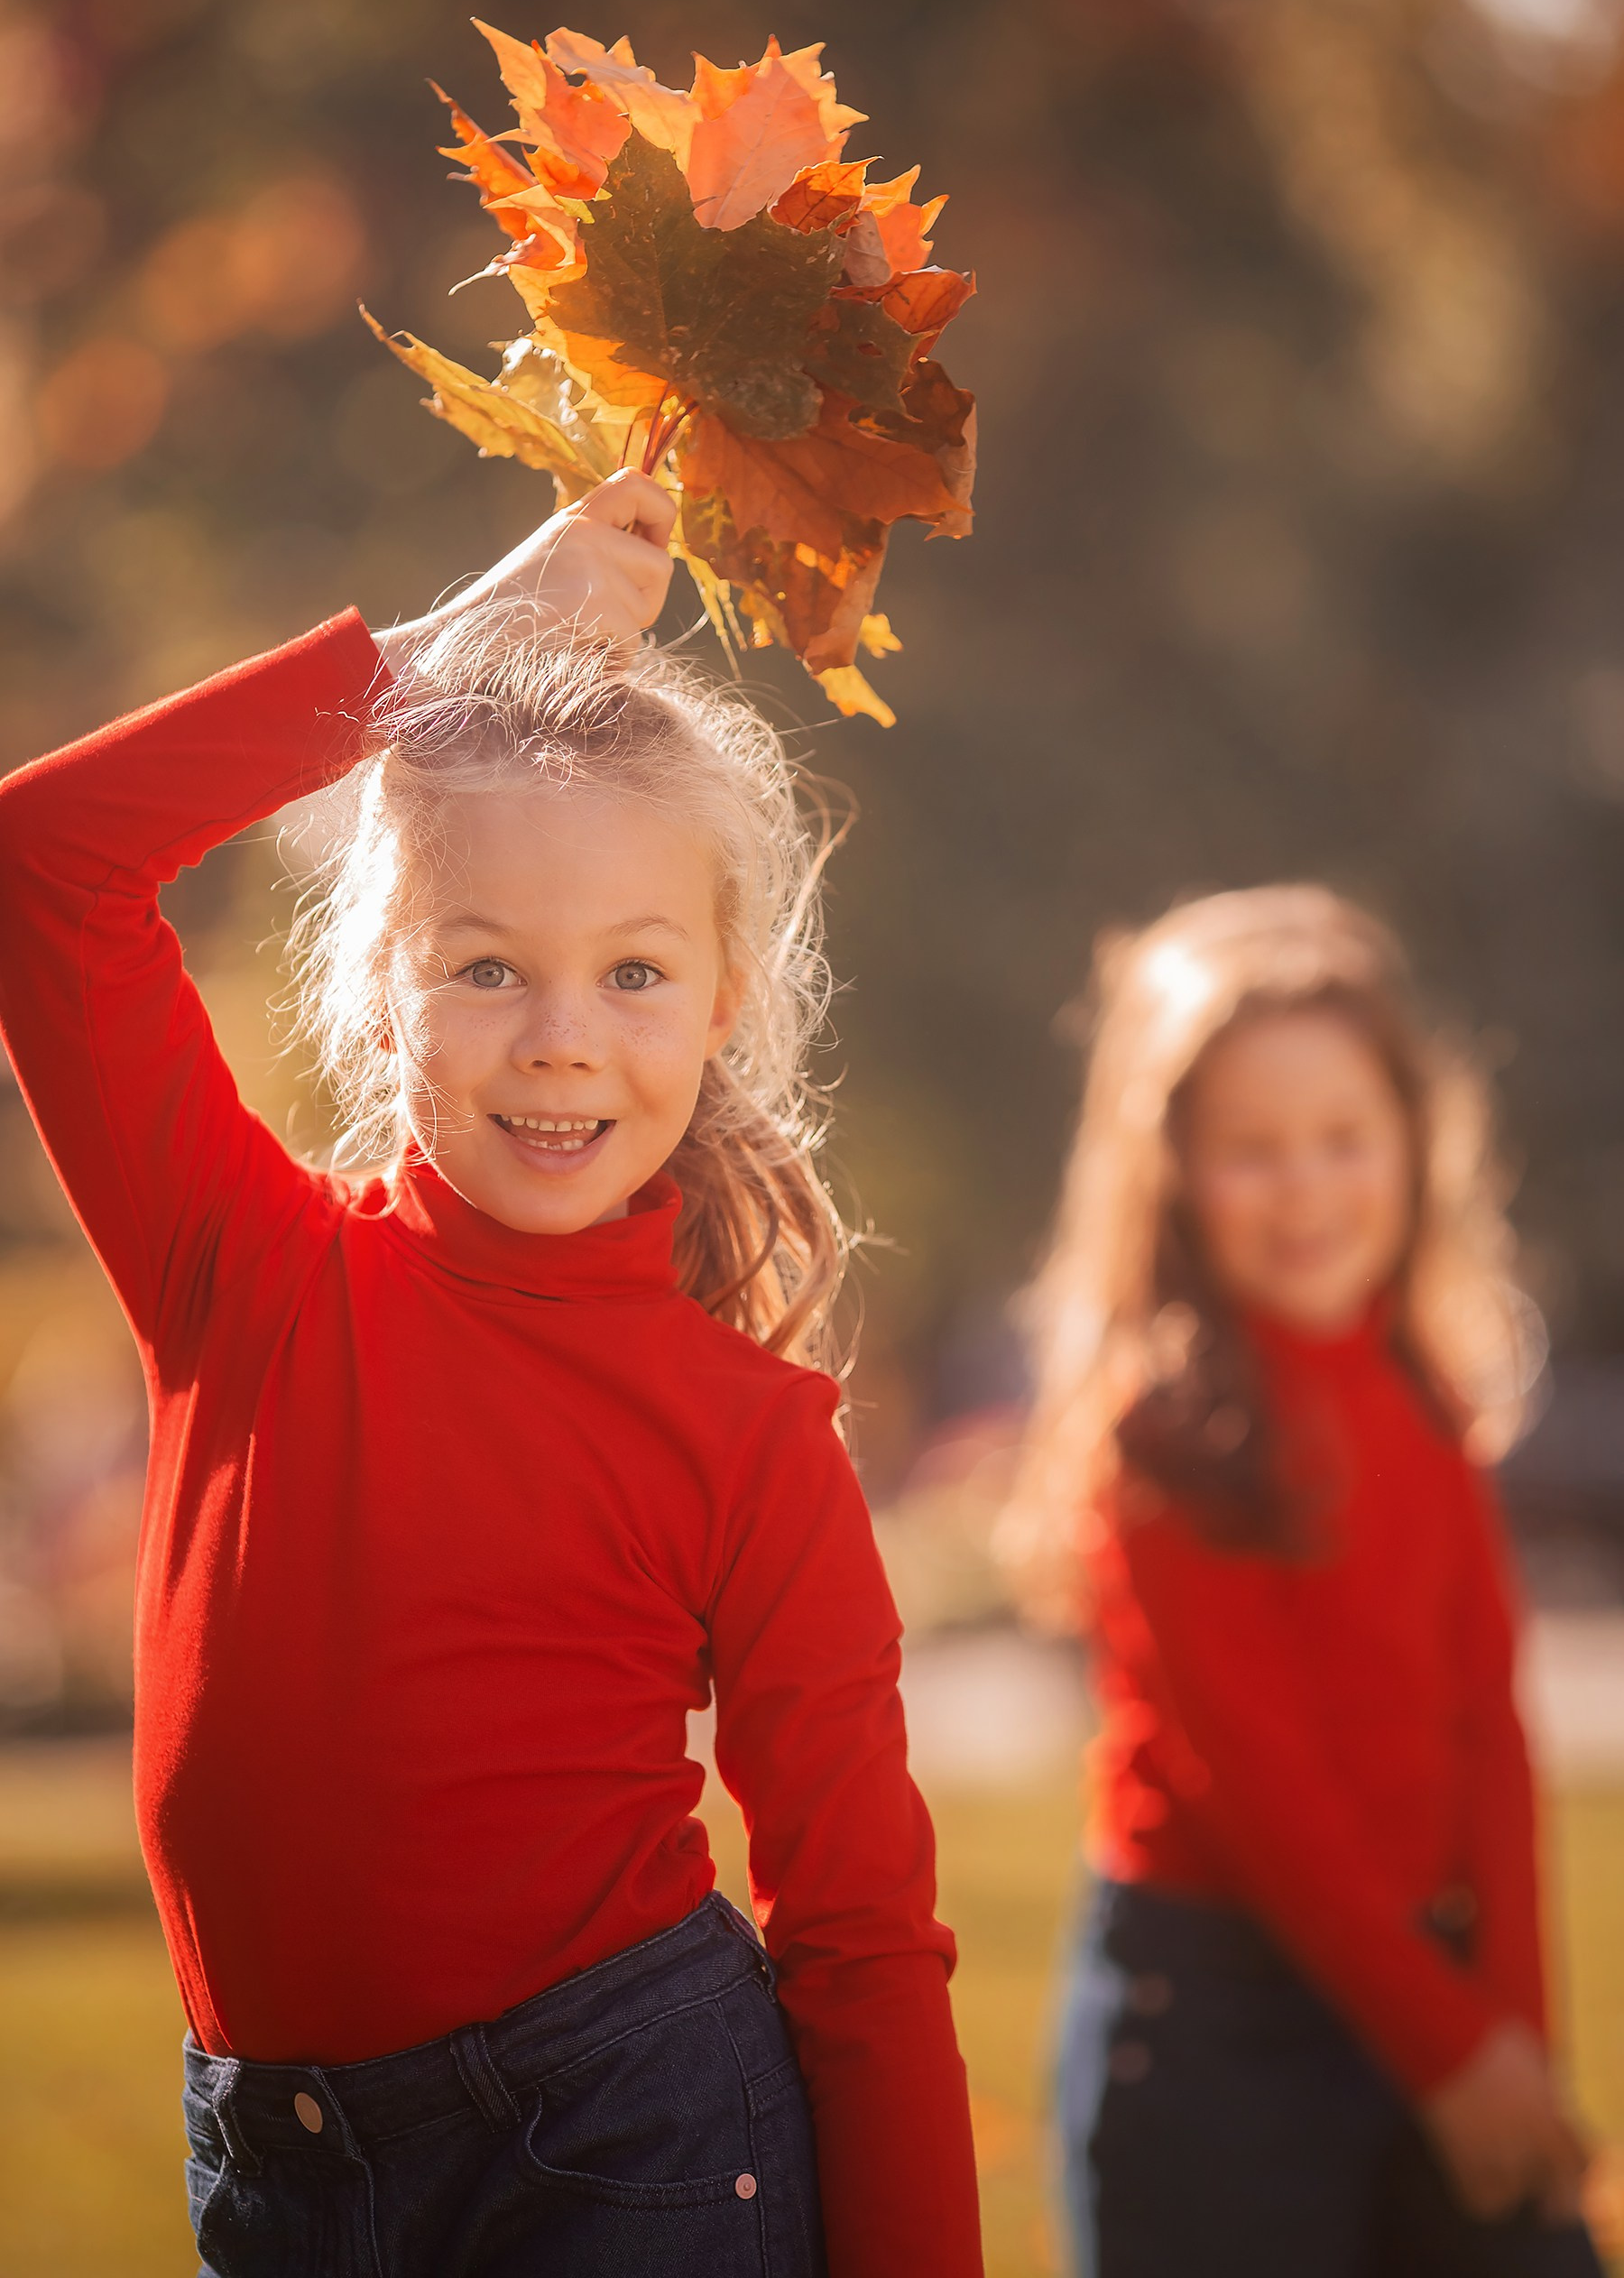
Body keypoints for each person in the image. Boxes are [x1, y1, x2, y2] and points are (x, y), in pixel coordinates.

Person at [0, 472, 983, 2278]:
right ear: (382, 994)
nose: (560, 1039)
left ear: (724, 1007)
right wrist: (429, 661)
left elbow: (861, 1934)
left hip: (633, 2146)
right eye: (485, 968)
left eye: (632, 972)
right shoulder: (244, 1269)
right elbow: (38, 859)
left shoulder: (754, 1440)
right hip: (286, 2173)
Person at [1001, 884, 1604, 2278]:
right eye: (1252, 1152)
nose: (1309, 1187)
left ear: (1415, 1137)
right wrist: (1457, 2057)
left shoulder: (1422, 1397)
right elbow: (1265, 1797)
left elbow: (1488, 1735)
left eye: (1344, 1138)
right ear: (1171, 1177)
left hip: (1435, 1987)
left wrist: (1512, 2035)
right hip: (1216, 2025)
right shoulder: (1162, 1440)